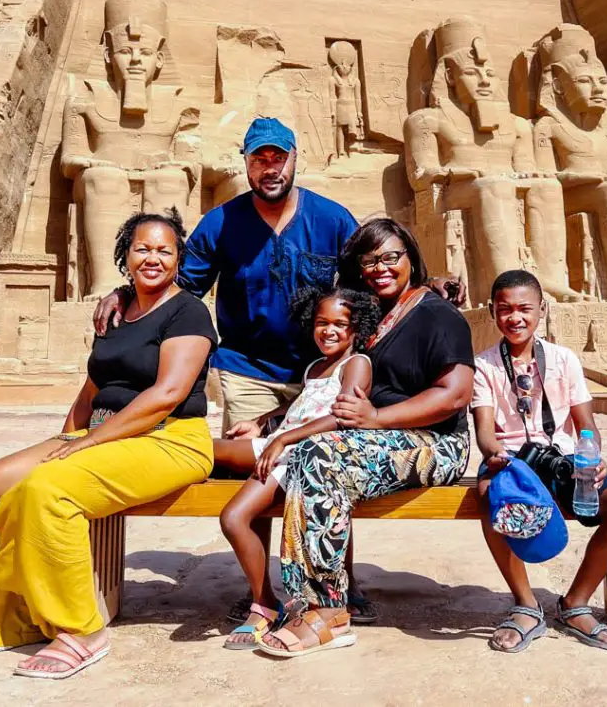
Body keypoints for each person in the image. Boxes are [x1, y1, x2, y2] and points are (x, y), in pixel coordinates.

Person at [93, 117, 392, 626]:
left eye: (279, 157)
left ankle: (341, 581)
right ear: (247, 164)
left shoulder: (333, 219)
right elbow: (176, 282)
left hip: (319, 369)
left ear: (295, 159)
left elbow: (370, 279)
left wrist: (428, 289)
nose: (270, 168)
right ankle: (262, 589)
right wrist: (122, 292)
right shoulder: (220, 223)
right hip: (248, 368)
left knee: (329, 473)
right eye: (260, 159)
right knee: (257, 472)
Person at [0, 209, 218, 680]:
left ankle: (81, 630)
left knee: (48, 490)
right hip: (107, 431)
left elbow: (165, 395)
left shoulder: (189, 311)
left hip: (169, 438)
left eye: (165, 250)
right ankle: (26, 610)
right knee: (3, 476)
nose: (153, 258)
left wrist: (88, 445)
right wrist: (69, 435)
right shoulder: (118, 310)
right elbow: (94, 384)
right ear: (125, 255)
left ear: (178, 259)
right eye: (142, 248)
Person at [258, 218, 475, 657]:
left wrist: (376, 417)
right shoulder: (370, 318)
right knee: (310, 453)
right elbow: (333, 393)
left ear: (410, 257)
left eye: (391, 257)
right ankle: (309, 600)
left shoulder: (438, 314)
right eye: (369, 260)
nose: (380, 267)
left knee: (320, 455)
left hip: (436, 443)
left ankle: (329, 612)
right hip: (375, 438)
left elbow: (454, 395)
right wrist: (271, 421)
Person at [471, 269, 607, 653]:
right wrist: (494, 454)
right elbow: (484, 429)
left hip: (563, 457)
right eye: (505, 309)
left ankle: (575, 603)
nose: (515, 318)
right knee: (489, 498)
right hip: (512, 460)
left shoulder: (564, 360)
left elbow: (586, 425)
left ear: (541, 310)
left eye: (524, 309)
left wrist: (592, 457)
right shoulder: (484, 365)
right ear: (493, 312)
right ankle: (526, 606)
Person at [213, 286, 379, 648]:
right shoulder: (316, 367)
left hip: (307, 458)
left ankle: (268, 606)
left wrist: (283, 439)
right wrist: (262, 423)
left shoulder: (357, 364)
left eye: (340, 323)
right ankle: (264, 601)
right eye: (322, 322)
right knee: (231, 511)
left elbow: (342, 416)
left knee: (215, 459)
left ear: (356, 329)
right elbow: (299, 410)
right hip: (283, 450)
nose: (329, 330)